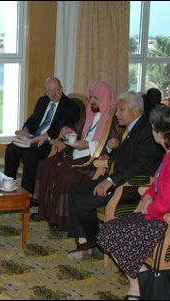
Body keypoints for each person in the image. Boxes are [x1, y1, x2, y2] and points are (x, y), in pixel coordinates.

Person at [98, 106, 170, 300]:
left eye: (153, 127)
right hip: (163, 217)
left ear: (161, 133)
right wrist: (148, 196)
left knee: (112, 232)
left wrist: (149, 208)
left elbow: (165, 205)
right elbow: (156, 182)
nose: (151, 130)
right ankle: (139, 282)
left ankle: (138, 284)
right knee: (111, 230)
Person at [65, 92, 164, 260]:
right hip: (118, 179)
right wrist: (112, 148)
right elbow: (126, 158)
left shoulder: (146, 131)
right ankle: (89, 240)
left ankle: (96, 242)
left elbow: (140, 166)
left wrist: (110, 180)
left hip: (132, 187)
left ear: (135, 110)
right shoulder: (132, 127)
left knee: (84, 199)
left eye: (121, 109)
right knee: (76, 188)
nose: (117, 113)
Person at [31, 81, 122, 231]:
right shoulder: (90, 112)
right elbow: (77, 128)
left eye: (95, 98)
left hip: (93, 159)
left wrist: (89, 145)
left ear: (104, 98)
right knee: (45, 166)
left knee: (66, 175)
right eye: (90, 97)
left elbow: (113, 145)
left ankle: (60, 219)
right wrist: (68, 130)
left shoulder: (114, 119)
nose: (91, 101)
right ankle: (45, 211)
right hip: (75, 151)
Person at [4, 76, 80, 195]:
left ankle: (26, 195)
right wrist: (26, 129)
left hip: (50, 142)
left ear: (61, 88)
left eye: (56, 89)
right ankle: (9, 185)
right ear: (45, 92)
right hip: (34, 138)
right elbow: (33, 119)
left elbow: (66, 127)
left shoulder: (71, 106)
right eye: (49, 91)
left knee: (29, 155)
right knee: (11, 149)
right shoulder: (42, 101)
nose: (53, 93)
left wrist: (46, 135)